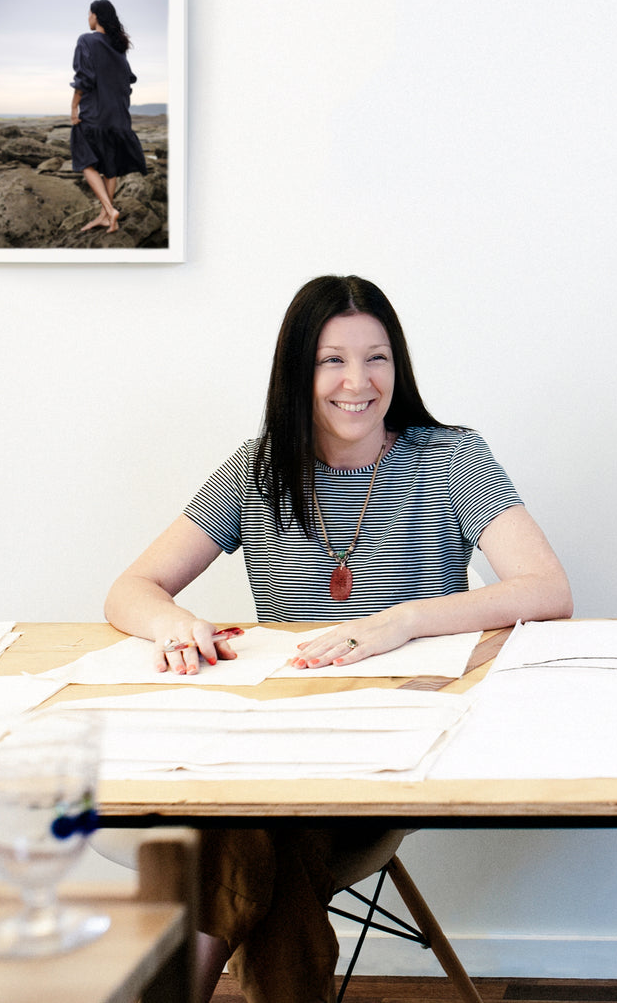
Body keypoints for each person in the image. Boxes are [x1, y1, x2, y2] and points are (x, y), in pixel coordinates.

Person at [104, 274, 573, 1003]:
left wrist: (405, 618)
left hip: (392, 754)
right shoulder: (256, 469)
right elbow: (129, 590)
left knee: (244, 830)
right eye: (333, 360)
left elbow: (547, 589)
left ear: (399, 365)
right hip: (271, 748)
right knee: (266, 836)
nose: (358, 382)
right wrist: (175, 623)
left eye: (376, 358)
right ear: (299, 369)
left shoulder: (450, 458)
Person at [69, 0, 149, 235]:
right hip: (119, 115)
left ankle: (109, 210)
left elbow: (83, 77)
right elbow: (127, 80)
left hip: (95, 113)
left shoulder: (86, 40)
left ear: (95, 16)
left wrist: (74, 107)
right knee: (110, 166)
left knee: (85, 160)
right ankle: (105, 216)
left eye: (89, 14)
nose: (88, 19)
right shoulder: (119, 46)